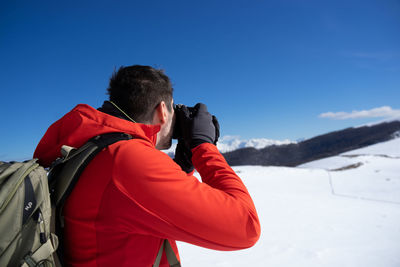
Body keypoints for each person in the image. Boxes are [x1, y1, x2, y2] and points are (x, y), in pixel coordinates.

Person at [34, 65, 260, 266]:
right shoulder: (126, 160)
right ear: (163, 111)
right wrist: (203, 146)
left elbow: (133, 207)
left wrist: (182, 168)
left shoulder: (87, 147)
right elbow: (245, 227)